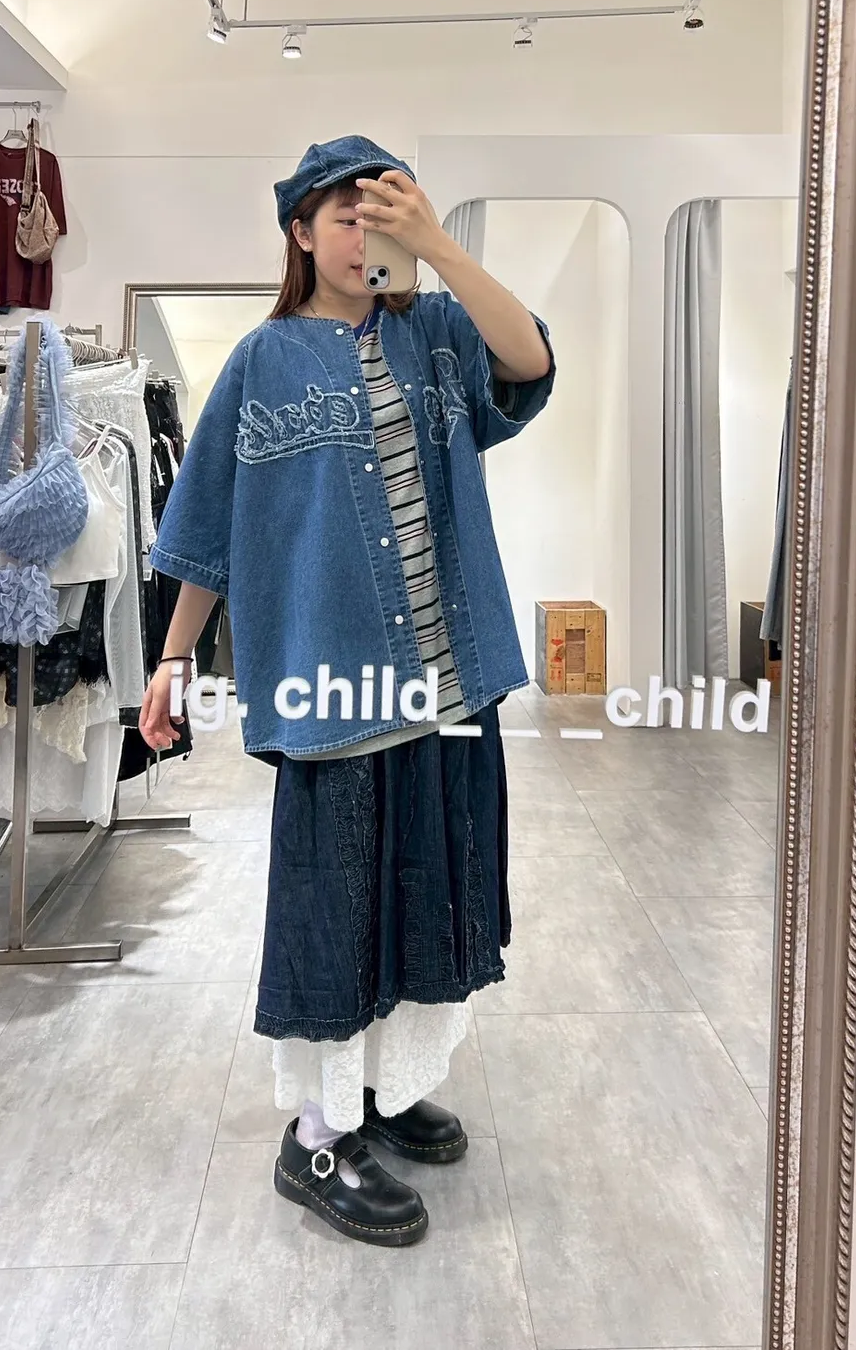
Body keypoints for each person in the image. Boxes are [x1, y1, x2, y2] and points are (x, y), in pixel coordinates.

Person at [140, 135, 555, 1247]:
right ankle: (317, 1135)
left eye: (384, 212)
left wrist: (440, 248)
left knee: (428, 890)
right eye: (347, 216)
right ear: (299, 232)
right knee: (337, 906)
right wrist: (172, 658)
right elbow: (207, 531)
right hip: (336, 687)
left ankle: (387, 1086)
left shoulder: (438, 334)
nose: (367, 233)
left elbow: (527, 363)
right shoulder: (260, 361)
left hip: (449, 679)